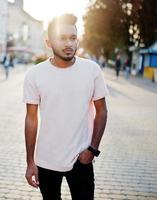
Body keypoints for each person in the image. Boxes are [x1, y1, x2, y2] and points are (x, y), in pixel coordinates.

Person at [23, 14, 109, 200]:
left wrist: (92, 150)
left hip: (81, 158)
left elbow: (101, 111)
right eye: (62, 38)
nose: (69, 43)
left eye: (73, 38)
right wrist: (30, 162)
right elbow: (31, 119)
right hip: (46, 159)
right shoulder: (34, 75)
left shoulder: (92, 70)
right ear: (48, 42)